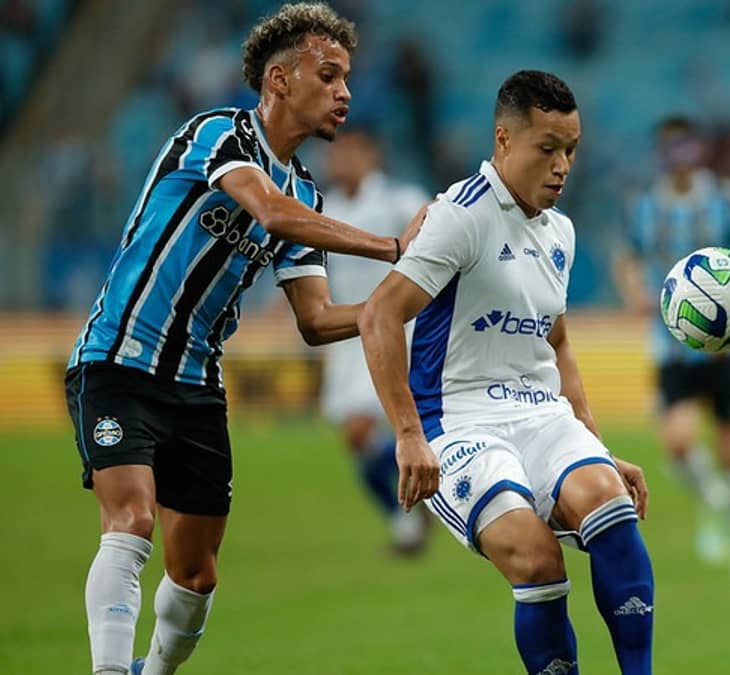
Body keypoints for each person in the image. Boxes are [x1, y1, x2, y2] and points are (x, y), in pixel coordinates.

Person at [64, 5, 438, 674]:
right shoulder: (216, 135)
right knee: (133, 521)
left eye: (348, 77)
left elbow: (317, 319)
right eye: (329, 75)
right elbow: (266, 210)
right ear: (279, 79)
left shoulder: (305, 193)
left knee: (197, 574)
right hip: (119, 359)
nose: (345, 92)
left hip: (197, 388)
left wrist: (395, 303)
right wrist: (391, 248)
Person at [359, 70, 654, 675]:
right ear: (502, 140)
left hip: (541, 414)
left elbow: (558, 339)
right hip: (459, 421)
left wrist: (594, 443)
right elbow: (380, 315)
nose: (562, 166)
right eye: (547, 148)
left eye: (571, 150)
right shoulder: (458, 216)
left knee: (609, 505)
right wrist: (410, 434)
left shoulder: (560, 233)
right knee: (535, 556)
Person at [613, 115, 730, 587]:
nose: (678, 155)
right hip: (672, 348)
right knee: (678, 445)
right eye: (670, 146)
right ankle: (712, 500)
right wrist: (634, 293)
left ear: (698, 149)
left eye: (685, 145)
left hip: (726, 351)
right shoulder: (642, 206)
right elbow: (626, 256)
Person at [319, 124, 432, 555]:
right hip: (347, 334)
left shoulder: (397, 200)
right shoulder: (325, 206)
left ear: (369, 155)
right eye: (335, 154)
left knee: (366, 427)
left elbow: (436, 232)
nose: (338, 161)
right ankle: (413, 505)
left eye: (348, 153)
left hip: (397, 329)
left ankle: (416, 499)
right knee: (355, 439)